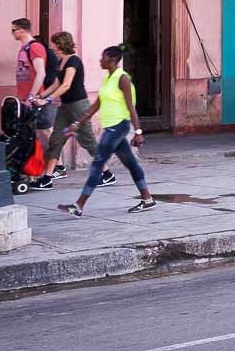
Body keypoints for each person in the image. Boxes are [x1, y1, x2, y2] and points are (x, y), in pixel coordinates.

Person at [57, 46, 154, 217]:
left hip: (119, 126)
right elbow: (96, 105)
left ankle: (78, 206)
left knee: (97, 164)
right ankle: (147, 199)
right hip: (111, 127)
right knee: (131, 163)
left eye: (103, 58)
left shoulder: (122, 78)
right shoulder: (108, 78)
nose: (100, 60)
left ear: (113, 60)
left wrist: (138, 131)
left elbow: (131, 107)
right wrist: (77, 123)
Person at [29, 32, 113, 191]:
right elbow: (55, 84)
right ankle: (47, 178)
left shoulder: (74, 61)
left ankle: (107, 173)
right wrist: (39, 96)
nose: (51, 47)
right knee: (56, 140)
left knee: (88, 141)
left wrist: (46, 101)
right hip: (65, 106)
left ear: (61, 44)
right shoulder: (61, 61)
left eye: (53, 44)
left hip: (78, 106)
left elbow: (66, 85)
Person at [11, 18, 50, 139]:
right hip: (25, 98)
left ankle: (56, 158)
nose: (12, 33)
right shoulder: (24, 48)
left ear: (22, 30)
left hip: (35, 98)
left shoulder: (35, 47)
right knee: (29, 132)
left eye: (14, 30)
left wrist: (32, 95)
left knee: (45, 131)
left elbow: (41, 73)